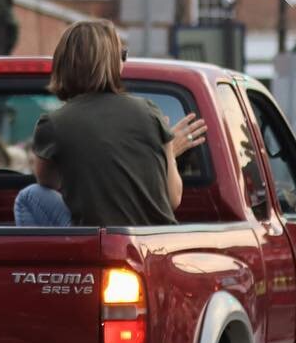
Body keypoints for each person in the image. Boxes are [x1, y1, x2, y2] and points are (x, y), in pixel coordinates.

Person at [33, 20, 206, 228]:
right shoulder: (150, 112)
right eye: (122, 54)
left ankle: (50, 260)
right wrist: (166, 153)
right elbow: (172, 198)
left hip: (94, 241)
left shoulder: (53, 124)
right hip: (155, 242)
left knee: (29, 196)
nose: (124, 60)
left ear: (63, 63)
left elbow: (47, 183)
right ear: (112, 63)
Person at [13, 149, 72, 227]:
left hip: (83, 223)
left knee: (27, 195)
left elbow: (45, 178)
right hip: (92, 218)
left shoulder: (53, 137)